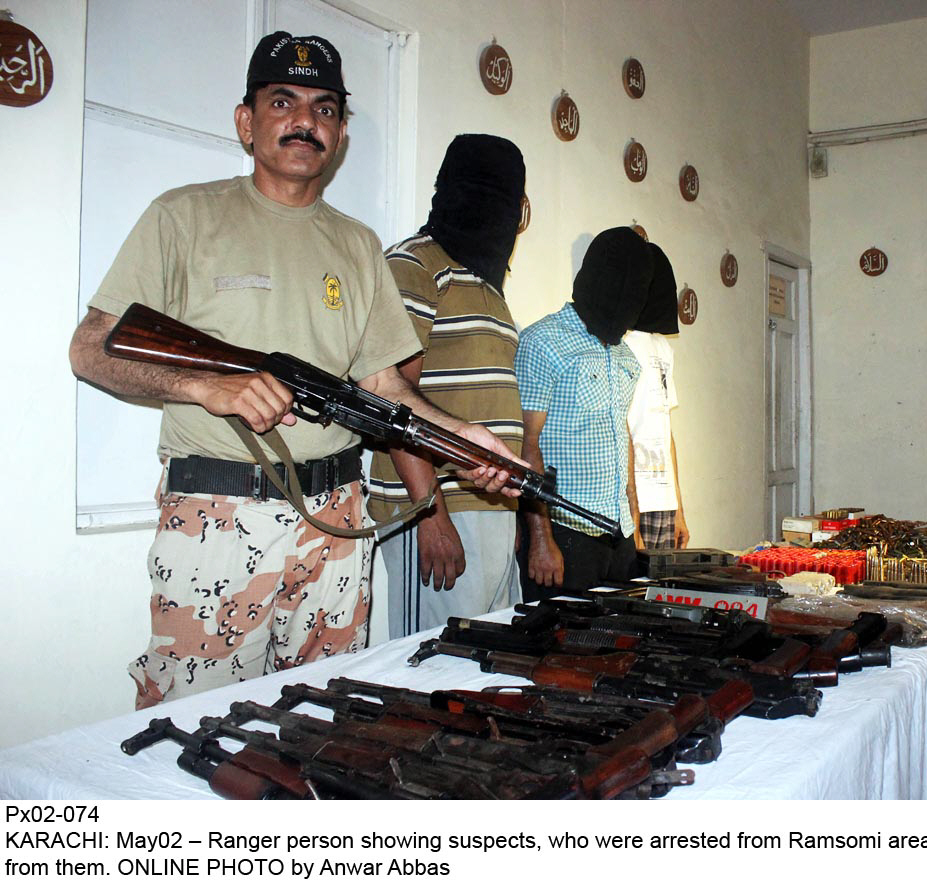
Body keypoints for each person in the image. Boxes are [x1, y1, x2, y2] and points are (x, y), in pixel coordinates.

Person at [68, 32, 517, 708]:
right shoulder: (184, 216)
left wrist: (465, 440)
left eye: (325, 108)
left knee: (322, 718)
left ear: (339, 135)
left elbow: (388, 390)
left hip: (336, 519)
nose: (306, 121)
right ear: (247, 121)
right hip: (218, 514)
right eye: (284, 101)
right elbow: (91, 347)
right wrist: (206, 385)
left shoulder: (359, 245)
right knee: (198, 724)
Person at [368, 134, 526, 636]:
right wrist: (429, 516)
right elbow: (387, 399)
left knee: (483, 670)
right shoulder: (414, 265)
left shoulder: (487, 285)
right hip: (438, 510)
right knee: (435, 671)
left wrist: (511, 515)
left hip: (488, 511)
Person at [515, 227, 653, 598]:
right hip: (565, 536)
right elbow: (526, 446)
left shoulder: (625, 356)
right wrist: (540, 539)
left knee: (620, 649)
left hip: (618, 536)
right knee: (561, 650)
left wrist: (634, 523)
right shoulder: (543, 342)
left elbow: (621, 436)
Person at [625, 243, 689, 550]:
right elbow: (621, 429)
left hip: (663, 499)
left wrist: (679, 508)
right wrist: (631, 509)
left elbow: (667, 433)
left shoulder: (664, 349)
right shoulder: (621, 344)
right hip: (635, 496)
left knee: (663, 590)